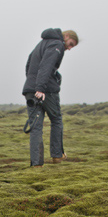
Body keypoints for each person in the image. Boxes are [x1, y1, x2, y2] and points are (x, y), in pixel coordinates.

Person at [22, 28, 78, 167]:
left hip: (30, 90)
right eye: (70, 44)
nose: (69, 48)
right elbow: (46, 66)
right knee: (56, 119)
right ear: (65, 36)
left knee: (36, 127)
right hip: (45, 90)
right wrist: (40, 88)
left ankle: (36, 164)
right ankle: (57, 156)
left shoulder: (41, 44)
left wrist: (32, 84)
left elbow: (29, 65)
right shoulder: (57, 44)